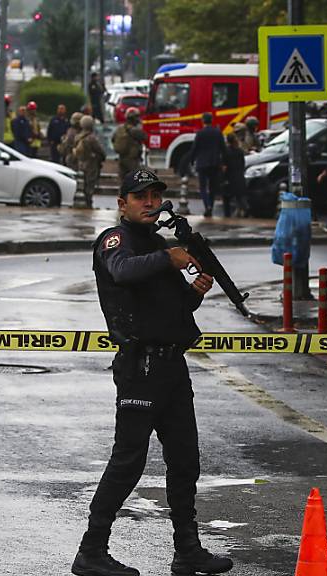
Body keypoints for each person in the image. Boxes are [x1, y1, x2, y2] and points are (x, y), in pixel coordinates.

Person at [73, 167, 232, 576]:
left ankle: (188, 550)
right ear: (122, 203)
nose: (149, 202)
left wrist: (194, 294)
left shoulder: (159, 243)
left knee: (185, 460)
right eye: (140, 196)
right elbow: (122, 272)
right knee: (128, 461)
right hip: (139, 366)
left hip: (172, 367)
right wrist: (168, 258)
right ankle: (91, 551)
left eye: (155, 195)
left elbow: (174, 308)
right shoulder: (116, 240)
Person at [184, 112, 226, 217]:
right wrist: (224, 162)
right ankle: (211, 205)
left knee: (203, 187)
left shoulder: (200, 133)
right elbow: (223, 148)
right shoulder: (217, 132)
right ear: (211, 121)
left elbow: (195, 148)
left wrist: (192, 160)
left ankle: (207, 206)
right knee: (212, 187)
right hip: (215, 163)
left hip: (202, 163)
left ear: (203, 121)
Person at [75, 115, 106, 201]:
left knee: (82, 183)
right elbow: (100, 151)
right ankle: (88, 202)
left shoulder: (78, 137)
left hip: (80, 163)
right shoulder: (91, 138)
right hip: (91, 164)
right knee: (90, 185)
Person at [111, 107, 146, 176]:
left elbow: (113, 139)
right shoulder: (135, 130)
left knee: (124, 181)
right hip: (132, 160)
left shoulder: (119, 128)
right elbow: (145, 137)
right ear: (134, 118)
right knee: (135, 181)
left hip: (121, 158)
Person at [222, 132, 247, 218]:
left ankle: (227, 215)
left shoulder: (226, 151)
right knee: (240, 197)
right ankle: (243, 211)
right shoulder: (240, 151)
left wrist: (222, 177)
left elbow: (224, 167)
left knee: (226, 198)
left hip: (230, 178)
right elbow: (243, 164)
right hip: (239, 176)